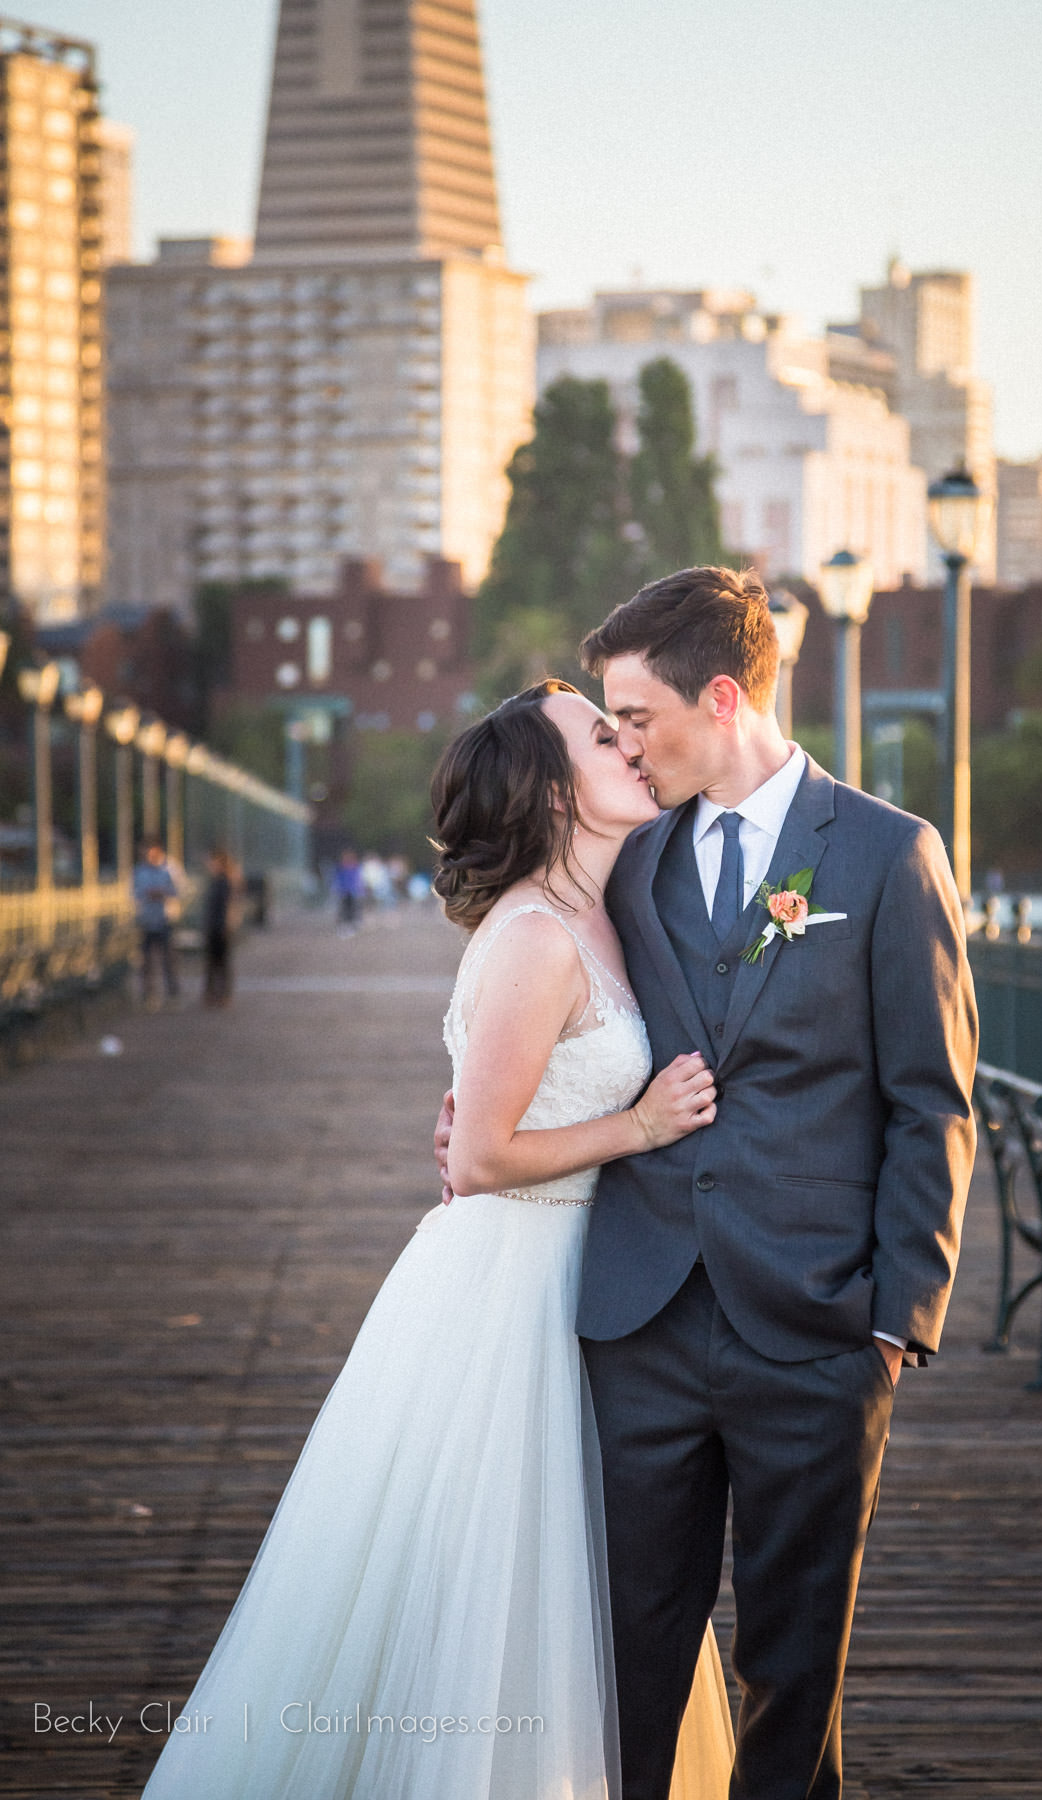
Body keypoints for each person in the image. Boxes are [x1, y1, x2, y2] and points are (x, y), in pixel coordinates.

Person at [140, 680, 734, 1800]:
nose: (630, 749)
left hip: (594, 1283)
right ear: (556, 794)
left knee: (597, 1582)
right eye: (603, 739)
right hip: (511, 1291)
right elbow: (477, 1160)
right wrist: (639, 1123)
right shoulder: (531, 937)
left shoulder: (617, 905)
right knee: (501, 1578)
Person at [442, 567, 979, 1798]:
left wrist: (897, 1318)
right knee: (627, 1664)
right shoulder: (632, 859)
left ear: (721, 696)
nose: (622, 743)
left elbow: (932, 1100)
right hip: (640, 1325)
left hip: (818, 1330)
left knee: (794, 1676)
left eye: (636, 717)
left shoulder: (892, 856)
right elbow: (546, 966)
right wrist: (472, 1093)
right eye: (612, 726)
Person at [133, 839, 181, 1009]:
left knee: (169, 959)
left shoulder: (170, 868)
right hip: (146, 920)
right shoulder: (139, 871)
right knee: (146, 961)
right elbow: (134, 893)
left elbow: (181, 890)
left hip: (166, 919)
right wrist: (146, 895)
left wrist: (164, 893)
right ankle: (149, 995)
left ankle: (173, 994)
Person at [202, 848, 239, 1007]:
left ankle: (222, 994)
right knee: (213, 963)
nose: (209, 864)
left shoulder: (224, 881)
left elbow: (228, 906)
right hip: (214, 927)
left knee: (221, 963)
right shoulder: (216, 881)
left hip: (220, 928)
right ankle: (213, 994)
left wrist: (225, 925)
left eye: (212, 861)